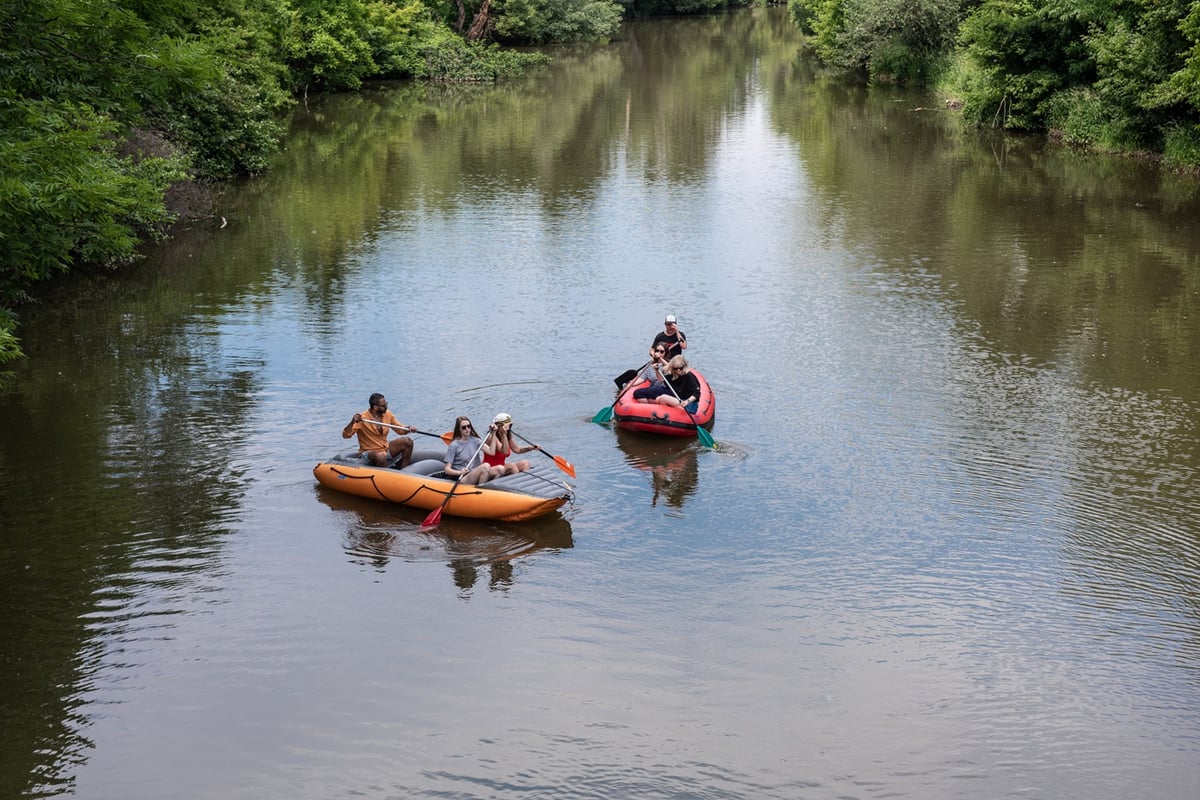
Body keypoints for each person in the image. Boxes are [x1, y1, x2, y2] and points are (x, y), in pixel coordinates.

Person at [343, 393, 416, 467]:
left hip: (385, 448)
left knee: (408, 442)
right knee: (380, 457)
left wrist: (408, 429)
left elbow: (399, 429)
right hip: (369, 452)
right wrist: (352, 422)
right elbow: (346, 435)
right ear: (375, 407)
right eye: (384, 405)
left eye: (386, 403)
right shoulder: (362, 418)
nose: (386, 407)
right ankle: (385, 476)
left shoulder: (388, 414)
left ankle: (404, 470)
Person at [632, 355, 701, 412]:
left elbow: (697, 393)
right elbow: (661, 379)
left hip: (688, 403)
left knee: (662, 398)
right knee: (645, 395)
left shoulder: (689, 376)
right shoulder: (673, 374)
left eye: (680, 368)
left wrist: (687, 401)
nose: (678, 370)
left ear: (684, 367)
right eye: (676, 368)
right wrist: (657, 370)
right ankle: (654, 413)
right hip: (676, 396)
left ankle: (668, 414)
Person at [482, 412, 540, 477]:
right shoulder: (492, 436)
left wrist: (531, 448)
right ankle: (518, 483)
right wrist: (504, 435)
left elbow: (517, 450)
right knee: (511, 466)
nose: (508, 428)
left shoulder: (507, 435)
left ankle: (526, 482)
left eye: (510, 425)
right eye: (506, 426)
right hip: (491, 470)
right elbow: (505, 452)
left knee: (525, 463)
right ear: (499, 426)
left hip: (502, 467)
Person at [443, 416, 494, 485]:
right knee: (486, 466)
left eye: (468, 426)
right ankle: (480, 490)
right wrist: (459, 472)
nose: (467, 429)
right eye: (464, 427)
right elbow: (447, 470)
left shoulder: (475, 440)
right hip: (462, 477)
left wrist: (494, 433)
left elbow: (491, 452)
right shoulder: (454, 445)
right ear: (459, 429)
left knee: (499, 469)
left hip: (474, 473)